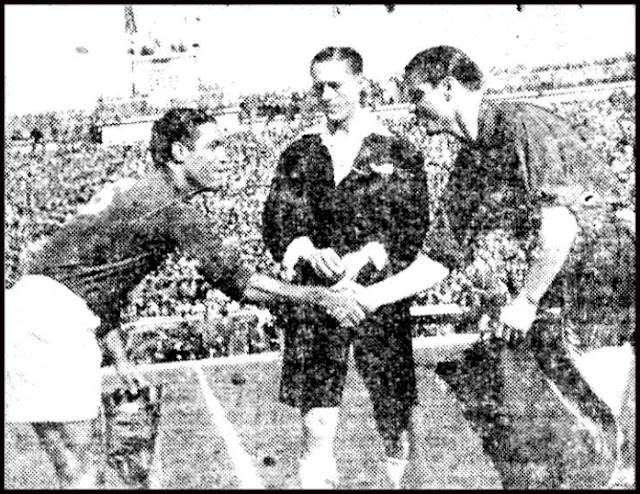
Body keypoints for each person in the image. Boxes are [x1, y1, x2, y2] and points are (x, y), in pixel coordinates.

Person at [5, 108, 366, 489]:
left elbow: (94, 282)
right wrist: (319, 297)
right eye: (213, 147)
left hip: (35, 307)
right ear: (179, 151)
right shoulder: (172, 206)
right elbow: (238, 281)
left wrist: (123, 363)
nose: (225, 156)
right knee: (82, 473)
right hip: (53, 320)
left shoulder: (137, 188)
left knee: (74, 468)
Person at [347, 46, 635, 488]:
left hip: (607, 267)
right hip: (569, 279)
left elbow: (561, 226)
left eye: (417, 95)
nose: (412, 109)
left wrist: (525, 301)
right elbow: (438, 259)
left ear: (448, 88)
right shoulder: (468, 163)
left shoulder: (520, 124)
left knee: (593, 428)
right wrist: (366, 297)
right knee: (569, 428)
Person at [262, 47, 430, 489]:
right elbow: (279, 217)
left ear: (361, 84)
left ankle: (400, 480)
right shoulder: (298, 153)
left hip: (379, 296)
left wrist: (368, 254)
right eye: (318, 85)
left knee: (392, 414)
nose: (326, 94)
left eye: (336, 84)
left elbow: (413, 227)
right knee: (316, 420)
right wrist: (305, 248)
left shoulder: (399, 150)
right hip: (320, 298)